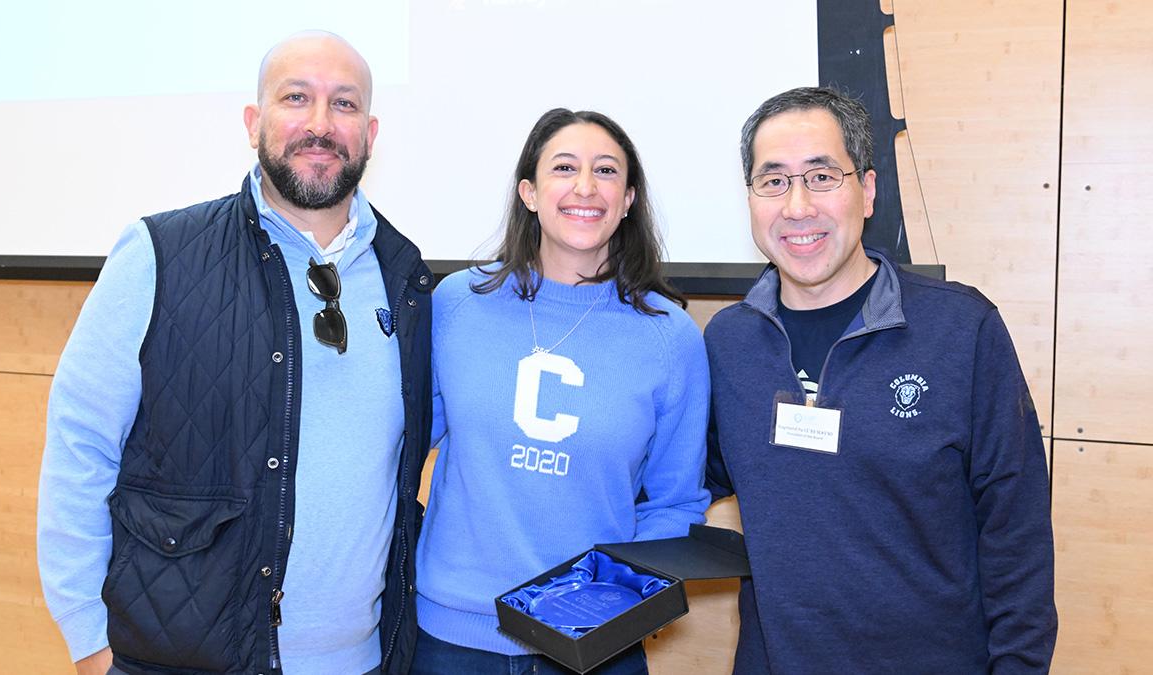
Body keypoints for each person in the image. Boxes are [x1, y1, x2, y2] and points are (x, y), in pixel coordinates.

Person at [36, 31, 431, 675]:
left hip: (361, 661)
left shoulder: (404, 277)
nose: (320, 124)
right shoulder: (160, 253)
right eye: (295, 97)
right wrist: (89, 643)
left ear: (370, 131)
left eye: (344, 104)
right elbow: (81, 446)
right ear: (254, 123)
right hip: (180, 660)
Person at [705, 86, 1057, 674]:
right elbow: (684, 483)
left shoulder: (960, 329)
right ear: (751, 199)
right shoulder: (728, 342)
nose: (796, 206)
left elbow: (1015, 532)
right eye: (773, 181)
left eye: (821, 177)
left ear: (866, 191)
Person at [409, 109, 711, 675]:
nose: (585, 187)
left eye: (606, 171)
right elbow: (397, 453)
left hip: (597, 650)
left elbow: (676, 503)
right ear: (529, 192)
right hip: (451, 640)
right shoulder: (456, 305)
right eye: (564, 167)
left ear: (628, 200)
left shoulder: (671, 338)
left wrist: (609, 602)